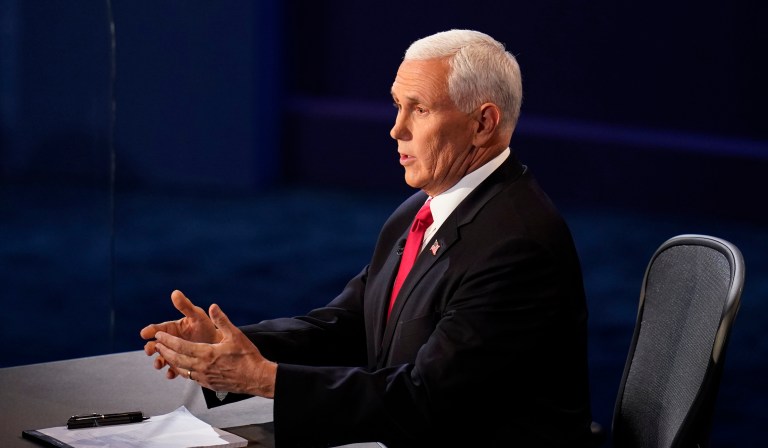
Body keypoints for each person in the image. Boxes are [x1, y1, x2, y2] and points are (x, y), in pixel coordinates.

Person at [141, 29, 593, 447]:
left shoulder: (516, 245)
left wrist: (265, 379)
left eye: (419, 109)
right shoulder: (417, 212)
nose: (397, 129)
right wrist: (230, 346)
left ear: (483, 123)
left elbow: (427, 397)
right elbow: (351, 326)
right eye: (397, 105)